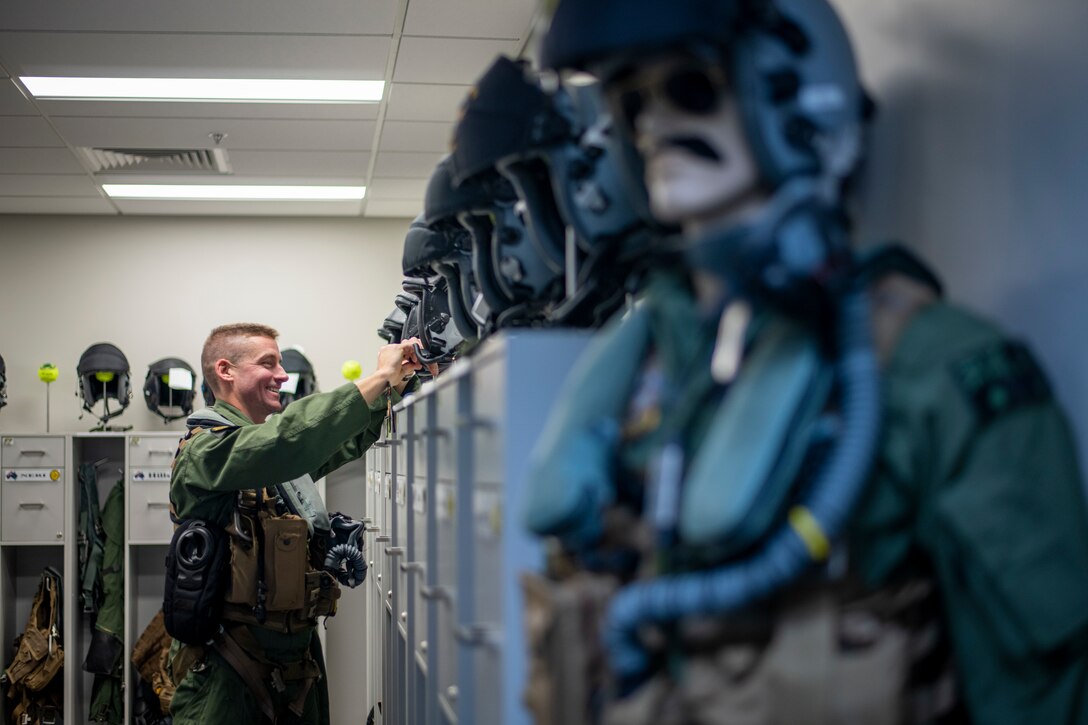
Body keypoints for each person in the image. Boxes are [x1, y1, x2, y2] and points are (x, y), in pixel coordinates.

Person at [525, 1, 1088, 723]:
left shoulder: (932, 373)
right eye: (633, 99)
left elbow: (1038, 696)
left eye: (690, 88)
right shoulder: (661, 369)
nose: (654, 123)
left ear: (798, 93)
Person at [168, 322, 424, 724]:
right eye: (267, 363)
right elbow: (285, 441)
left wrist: (398, 384)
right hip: (230, 671)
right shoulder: (206, 450)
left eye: (281, 364)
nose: (283, 375)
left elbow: (335, 442)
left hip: (295, 665)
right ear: (225, 370)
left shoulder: (264, 452)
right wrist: (377, 378)